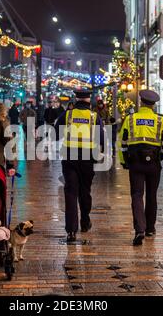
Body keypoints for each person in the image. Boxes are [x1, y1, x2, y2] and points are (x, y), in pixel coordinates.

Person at [119, 89, 163, 246]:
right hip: (154, 164)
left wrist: (124, 161)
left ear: (141, 102)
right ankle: (150, 228)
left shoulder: (130, 119)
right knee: (151, 195)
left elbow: (122, 144)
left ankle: (139, 229)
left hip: (135, 163)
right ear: (153, 105)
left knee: (136, 195)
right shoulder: (159, 121)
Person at [54, 90, 105, 242]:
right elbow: (101, 139)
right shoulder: (94, 116)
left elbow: (56, 133)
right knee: (85, 191)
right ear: (89, 100)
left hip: (70, 158)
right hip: (87, 159)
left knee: (70, 192)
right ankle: (85, 221)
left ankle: (71, 231)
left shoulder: (68, 115)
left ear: (76, 100)